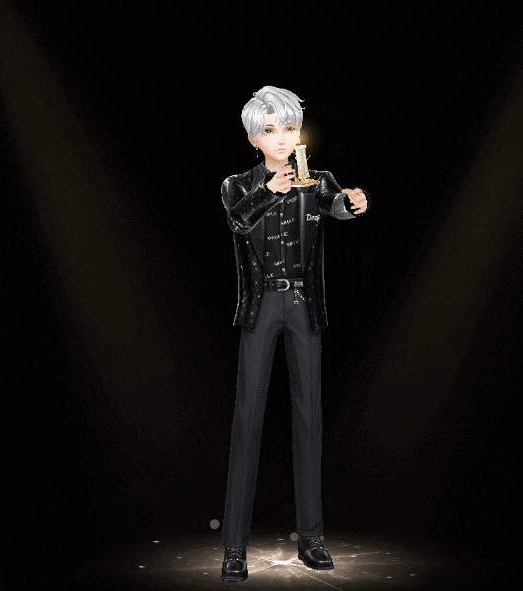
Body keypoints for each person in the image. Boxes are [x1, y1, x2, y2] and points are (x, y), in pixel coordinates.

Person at [220, 86, 368, 582]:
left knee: (309, 419)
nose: (280, 137)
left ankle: (312, 537)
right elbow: (237, 221)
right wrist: (270, 191)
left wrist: (353, 202)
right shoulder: (238, 184)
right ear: (253, 138)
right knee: (248, 419)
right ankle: (234, 546)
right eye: (269, 129)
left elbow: (336, 204)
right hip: (260, 306)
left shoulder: (316, 179)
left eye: (288, 127)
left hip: (304, 305)